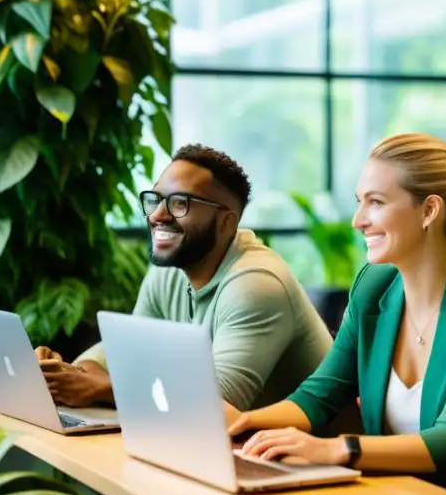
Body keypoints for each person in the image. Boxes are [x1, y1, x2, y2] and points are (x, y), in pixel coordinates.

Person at [227, 133, 446, 495]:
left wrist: (336, 449)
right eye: (361, 202)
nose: (359, 221)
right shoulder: (373, 287)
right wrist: (242, 421)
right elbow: (321, 394)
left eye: (375, 203)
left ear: (429, 211)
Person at [35, 144, 333, 411]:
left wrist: (102, 387)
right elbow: (127, 354)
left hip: (319, 462)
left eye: (180, 203)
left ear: (226, 223)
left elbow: (219, 404)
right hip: (232, 449)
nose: (157, 216)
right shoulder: (168, 271)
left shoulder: (256, 285)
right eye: (155, 200)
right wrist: (65, 373)